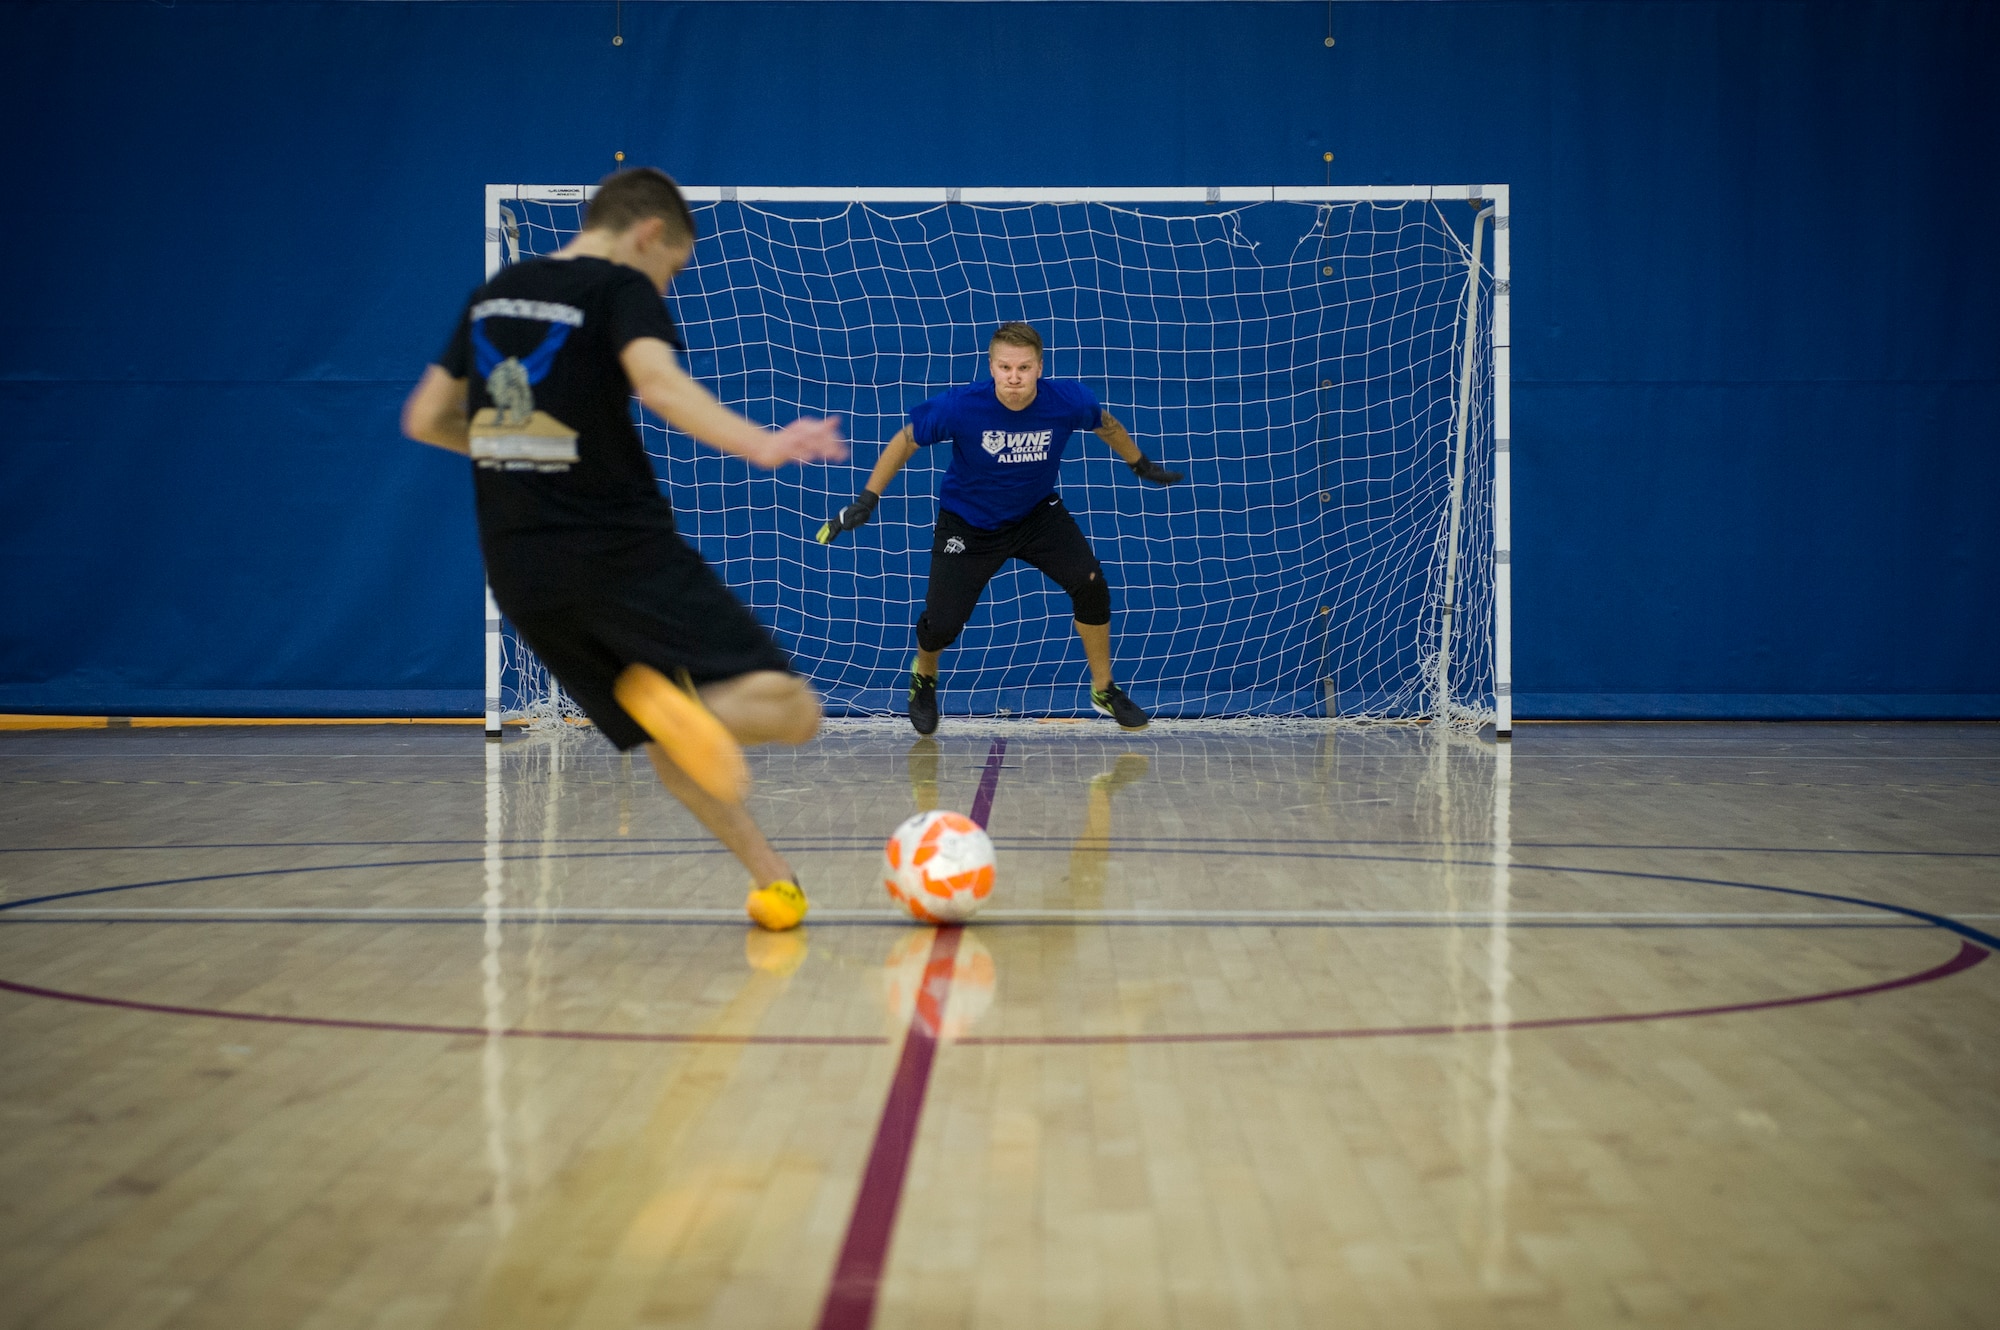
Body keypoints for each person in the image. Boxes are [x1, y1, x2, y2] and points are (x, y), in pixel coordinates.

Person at [401, 167, 845, 932]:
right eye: (673, 270)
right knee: (793, 708)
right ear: (647, 234)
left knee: (666, 732)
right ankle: (683, 714)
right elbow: (660, 386)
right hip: (618, 551)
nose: (667, 289)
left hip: (520, 572)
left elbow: (426, 417)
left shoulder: (495, 292)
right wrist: (764, 445)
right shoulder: (616, 286)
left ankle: (775, 882)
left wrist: (520, 450)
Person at [817, 322, 1183, 733]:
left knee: (1091, 582)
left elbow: (1105, 424)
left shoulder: (1067, 400)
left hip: (1036, 516)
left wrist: (1140, 464)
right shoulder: (961, 407)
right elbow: (907, 439)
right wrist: (868, 498)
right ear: (991, 367)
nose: (1014, 377)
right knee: (941, 624)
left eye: (1024, 368)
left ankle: (1104, 689)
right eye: (1005, 367)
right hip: (969, 525)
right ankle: (925, 677)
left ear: (1039, 367)